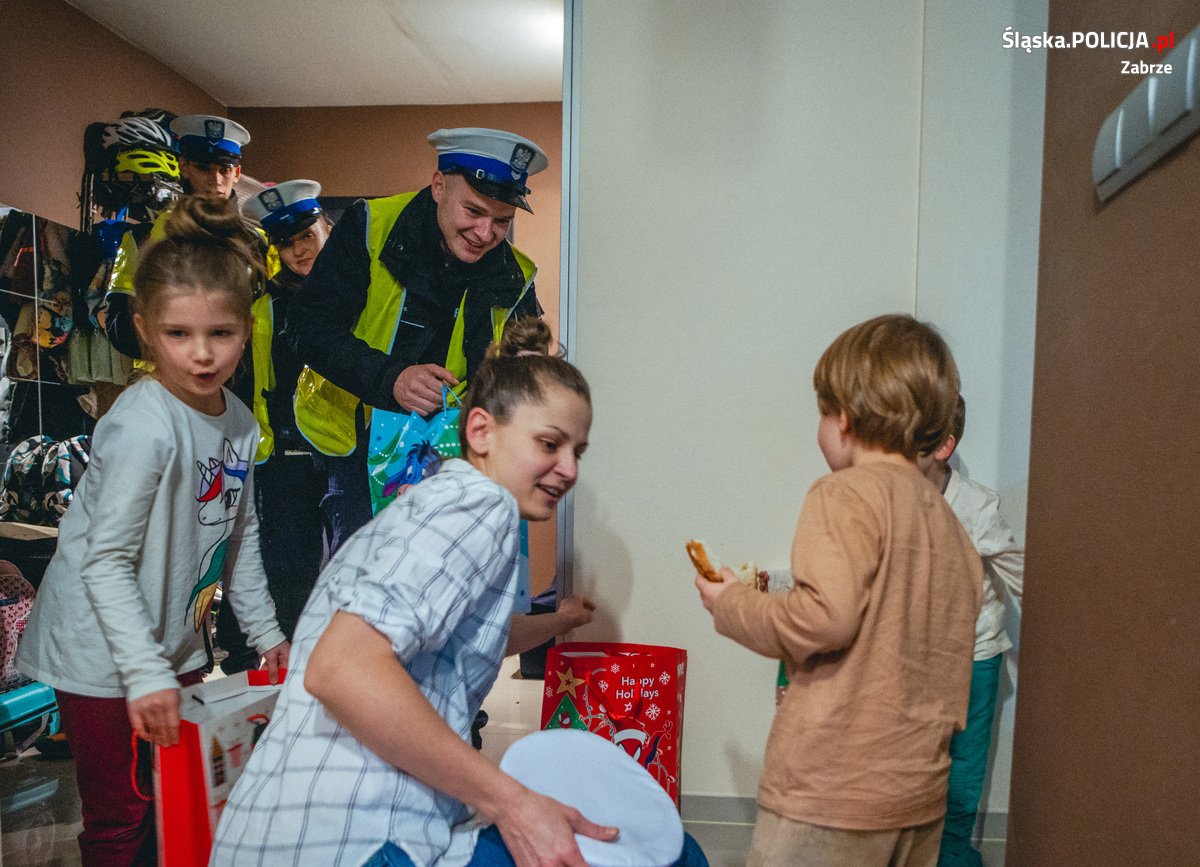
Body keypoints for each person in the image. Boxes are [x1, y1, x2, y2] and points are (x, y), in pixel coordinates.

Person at [212, 318, 707, 866]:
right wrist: (512, 802)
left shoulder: (441, 502)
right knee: (671, 855)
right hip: (351, 837)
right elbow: (341, 669)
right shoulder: (478, 509)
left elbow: (467, 634)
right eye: (549, 443)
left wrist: (558, 623)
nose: (568, 469)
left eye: (578, 451)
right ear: (480, 432)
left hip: (284, 833)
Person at [15, 194, 289, 866]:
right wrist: (144, 674)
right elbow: (103, 562)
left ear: (246, 326)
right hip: (101, 653)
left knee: (187, 799)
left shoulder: (239, 423)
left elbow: (239, 536)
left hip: (174, 642)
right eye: (178, 334)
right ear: (143, 328)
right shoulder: (144, 424)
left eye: (221, 334)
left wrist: (268, 635)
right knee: (122, 816)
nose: (202, 354)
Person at [694, 313, 983, 867]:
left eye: (821, 413)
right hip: (917, 796)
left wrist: (731, 603)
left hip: (832, 793)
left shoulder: (843, 494)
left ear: (843, 419)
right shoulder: (949, 527)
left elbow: (824, 618)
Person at [286, 127, 546, 553]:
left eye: (503, 221)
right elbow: (307, 328)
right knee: (366, 591)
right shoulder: (369, 225)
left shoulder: (516, 272)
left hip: (457, 454)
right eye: (474, 211)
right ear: (439, 185)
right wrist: (392, 378)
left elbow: (522, 369)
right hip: (357, 451)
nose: (485, 233)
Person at [918, 395, 1024, 867]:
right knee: (919, 760)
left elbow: (1017, 571)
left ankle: (954, 852)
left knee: (964, 765)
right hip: (919, 656)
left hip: (976, 655)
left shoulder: (975, 506)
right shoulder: (891, 499)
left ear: (943, 446)